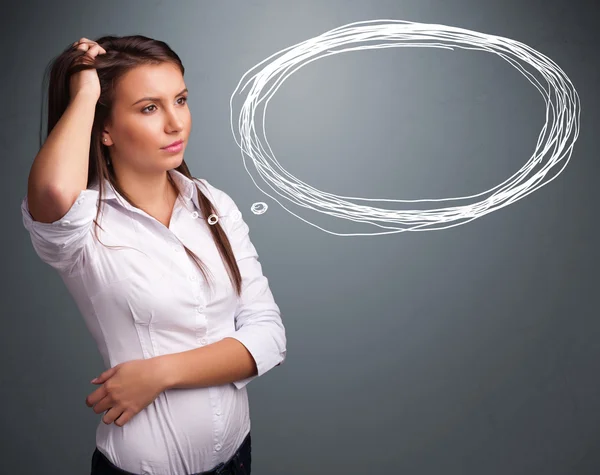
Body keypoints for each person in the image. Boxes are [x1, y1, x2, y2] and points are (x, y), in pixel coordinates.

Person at [21, 35, 287, 475]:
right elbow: (51, 189)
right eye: (149, 108)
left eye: (180, 100)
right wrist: (86, 90)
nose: (175, 123)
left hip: (239, 458)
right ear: (103, 128)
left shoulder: (213, 203)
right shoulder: (82, 226)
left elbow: (269, 335)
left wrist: (157, 374)